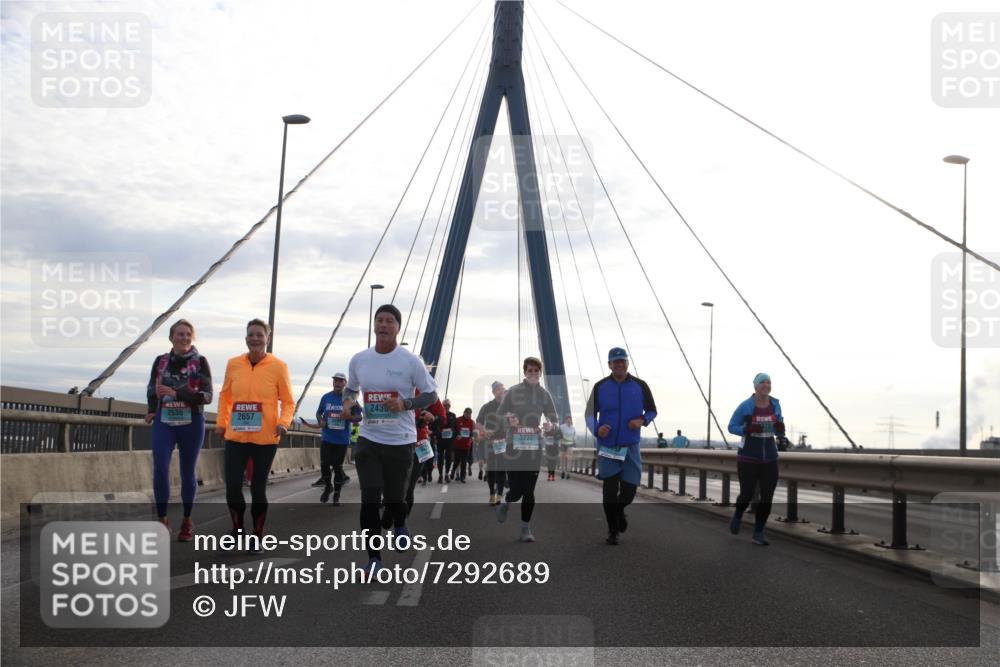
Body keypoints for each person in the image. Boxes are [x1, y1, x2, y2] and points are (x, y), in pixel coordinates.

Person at [342, 304, 439, 577]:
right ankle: (374, 560)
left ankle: (400, 524)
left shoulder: (410, 361)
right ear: (374, 325)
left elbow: (431, 395)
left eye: (389, 321)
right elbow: (351, 389)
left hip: (401, 441)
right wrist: (348, 402)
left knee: (396, 497)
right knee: (370, 498)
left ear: (398, 328)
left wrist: (405, 403)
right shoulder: (359, 359)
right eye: (379, 320)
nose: (383, 325)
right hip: (369, 439)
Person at [215, 319, 293, 552]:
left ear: (267, 338)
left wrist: (283, 423)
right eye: (251, 334)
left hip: (265, 438)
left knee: (258, 488)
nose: (255, 338)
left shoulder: (279, 366)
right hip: (236, 437)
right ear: (245, 338)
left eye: (260, 334)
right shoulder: (233, 364)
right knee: (232, 487)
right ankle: (237, 530)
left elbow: (288, 401)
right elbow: (225, 396)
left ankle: (257, 536)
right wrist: (221, 424)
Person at [144, 319, 213, 542]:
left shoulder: (200, 362)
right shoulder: (161, 361)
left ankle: (187, 520)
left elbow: (207, 396)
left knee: (187, 471)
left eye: (188, 334)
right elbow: (152, 388)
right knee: (160, 468)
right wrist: (151, 409)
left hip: (191, 421)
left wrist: (177, 394)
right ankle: (162, 519)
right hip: (164, 420)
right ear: (171, 337)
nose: (184, 338)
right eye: (180, 334)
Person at [586, 347, 658, 546]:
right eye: (615, 361)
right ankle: (613, 530)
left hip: (630, 445)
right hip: (608, 446)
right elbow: (589, 414)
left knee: (629, 491)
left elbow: (652, 410)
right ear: (609, 365)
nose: (619, 364)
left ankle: (618, 511)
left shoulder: (640, 385)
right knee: (609, 491)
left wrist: (641, 420)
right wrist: (597, 429)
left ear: (627, 363)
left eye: (622, 361)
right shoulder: (600, 386)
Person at [495, 357, 558, 543]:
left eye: (536, 371)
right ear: (524, 372)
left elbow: (554, 419)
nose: (533, 373)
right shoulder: (513, 391)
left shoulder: (544, 394)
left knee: (529, 491)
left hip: (533, 447)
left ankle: (525, 529)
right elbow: (499, 415)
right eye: (530, 370)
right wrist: (509, 419)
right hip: (514, 445)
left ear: (540, 373)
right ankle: (506, 501)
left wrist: (550, 426)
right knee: (516, 491)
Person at [727, 372, 784, 546]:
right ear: (756, 386)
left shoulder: (775, 404)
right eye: (762, 382)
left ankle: (758, 532)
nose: (766, 385)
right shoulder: (745, 406)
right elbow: (731, 426)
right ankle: (738, 515)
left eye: (768, 382)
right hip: (748, 458)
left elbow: (777, 426)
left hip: (770, 458)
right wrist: (747, 430)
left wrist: (780, 430)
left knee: (767, 496)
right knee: (747, 493)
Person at [300, 372, 361, 505]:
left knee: (338, 467)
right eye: (336, 381)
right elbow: (318, 413)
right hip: (327, 437)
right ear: (333, 382)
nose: (338, 383)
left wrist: (349, 417)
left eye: (341, 381)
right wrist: (320, 420)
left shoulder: (350, 400)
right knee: (324, 464)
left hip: (342, 440)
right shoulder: (326, 397)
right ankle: (328, 487)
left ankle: (337, 495)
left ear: (345, 384)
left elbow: (359, 417)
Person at [476, 381, 507, 506]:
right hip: (490, 442)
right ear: (494, 392)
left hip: (504, 442)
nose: (502, 390)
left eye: (503, 388)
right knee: (491, 469)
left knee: (502, 469)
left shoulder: (509, 406)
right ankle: (492, 494)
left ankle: (499, 495)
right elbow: (478, 422)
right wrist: (485, 431)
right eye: (499, 389)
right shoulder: (487, 406)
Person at [435, 399, 458, 482]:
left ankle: (447, 474)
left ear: (450, 406)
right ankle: (440, 475)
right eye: (445, 405)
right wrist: (438, 433)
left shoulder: (453, 415)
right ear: (442, 406)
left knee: (448, 457)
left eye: (448, 405)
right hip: (440, 439)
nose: (446, 407)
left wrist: (453, 432)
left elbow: (455, 427)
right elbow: (435, 426)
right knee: (440, 457)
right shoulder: (438, 415)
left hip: (450, 440)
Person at [453, 408, 476, 483]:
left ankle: (463, 476)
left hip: (467, 445)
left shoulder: (472, 422)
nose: (468, 415)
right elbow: (454, 429)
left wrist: (473, 436)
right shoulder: (458, 420)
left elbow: (474, 432)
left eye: (470, 414)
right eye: (467, 413)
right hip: (458, 444)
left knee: (465, 461)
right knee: (457, 460)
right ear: (464, 413)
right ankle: (455, 473)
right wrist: (457, 435)